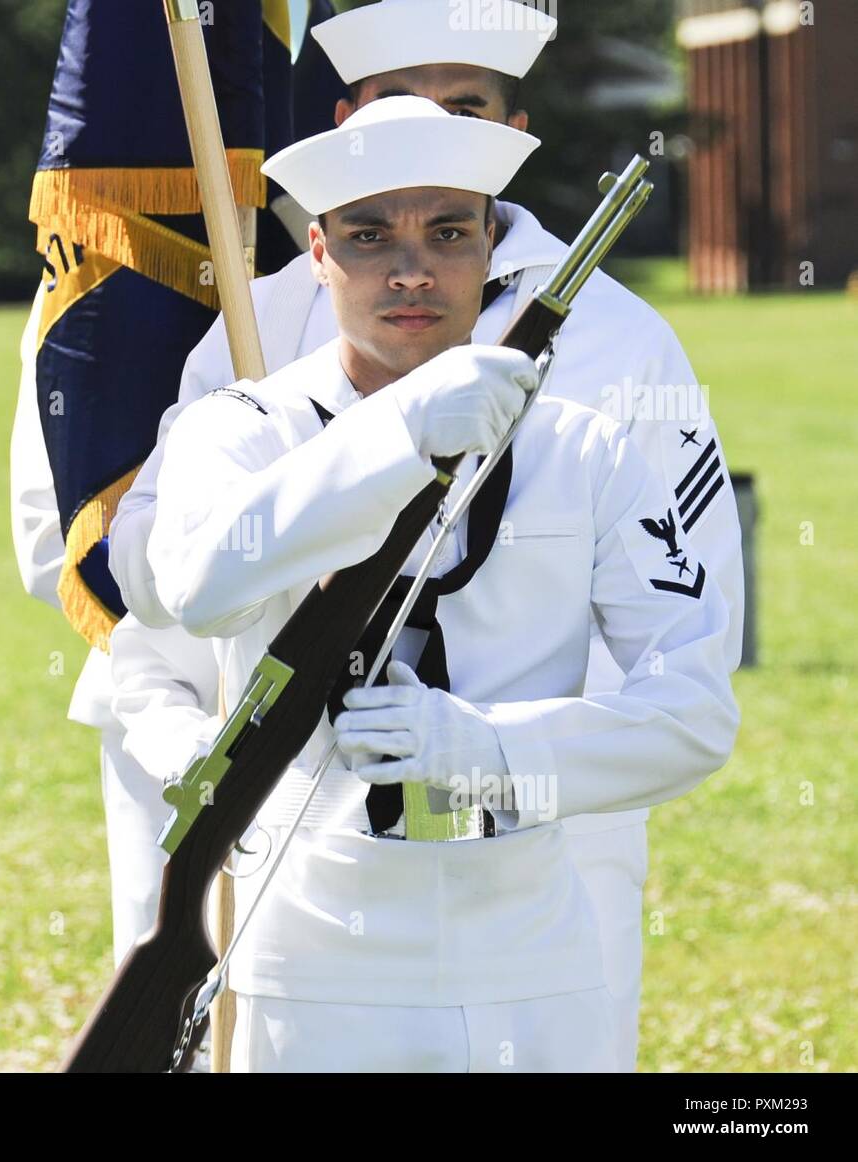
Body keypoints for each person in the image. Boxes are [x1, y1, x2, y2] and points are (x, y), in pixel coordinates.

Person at [105, 0, 744, 1069]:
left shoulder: (586, 442)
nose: (411, 271)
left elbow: (690, 702)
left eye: (449, 232)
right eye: (369, 236)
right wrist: (399, 434)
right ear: (316, 249)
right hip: (308, 938)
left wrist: (498, 753)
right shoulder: (245, 424)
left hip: (531, 936)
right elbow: (190, 586)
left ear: (490, 239)